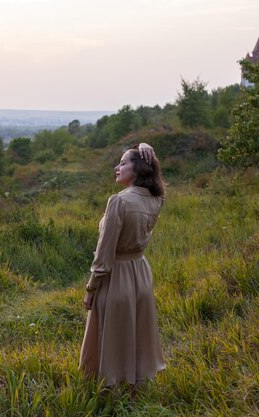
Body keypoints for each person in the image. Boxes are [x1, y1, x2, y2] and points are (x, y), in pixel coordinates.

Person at [79, 143, 166, 398]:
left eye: (124, 162)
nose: (117, 168)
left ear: (138, 168)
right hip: (140, 274)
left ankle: (108, 394)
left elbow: (104, 253)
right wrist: (146, 148)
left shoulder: (118, 202)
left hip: (117, 275)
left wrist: (91, 288)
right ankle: (134, 391)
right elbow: (159, 185)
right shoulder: (156, 198)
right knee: (136, 332)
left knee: (112, 335)